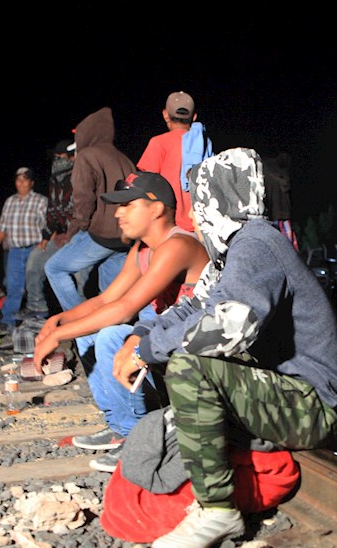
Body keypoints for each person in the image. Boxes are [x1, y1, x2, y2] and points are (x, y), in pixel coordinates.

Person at [111, 147, 337, 548]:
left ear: (214, 199)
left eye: (197, 199)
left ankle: (218, 511)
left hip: (311, 404)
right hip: (280, 391)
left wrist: (149, 350)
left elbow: (228, 327)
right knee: (178, 387)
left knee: (191, 366)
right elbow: (192, 307)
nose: (193, 213)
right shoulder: (234, 251)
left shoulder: (257, 243)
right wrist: (141, 335)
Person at [32, 171, 210, 471]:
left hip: (198, 358)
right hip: (168, 347)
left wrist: (57, 336)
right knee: (89, 332)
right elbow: (106, 300)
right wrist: (58, 321)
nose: (118, 213)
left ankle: (136, 435)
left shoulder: (177, 245)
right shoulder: (142, 250)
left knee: (110, 335)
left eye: (128, 204)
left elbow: (125, 309)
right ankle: (119, 426)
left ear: (155, 208)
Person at [43, 107, 133, 352]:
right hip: (125, 236)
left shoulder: (87, 156)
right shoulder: (121, 157)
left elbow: (84, 201)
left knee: (54, 267)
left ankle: (82, 329)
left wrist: (75, 230)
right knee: (112, 294)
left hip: (101, 234)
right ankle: (117, 343)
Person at [24, 138, 81, 318]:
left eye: (61, 156)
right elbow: (53, 208)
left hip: (80, 236)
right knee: (34, 261)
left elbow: (82, 209)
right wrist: (46, 235)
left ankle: (82, 317)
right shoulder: (54, 178)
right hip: (60, 236)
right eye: (55, 156)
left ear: (70, 156)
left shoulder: (80, 173)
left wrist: (73, 233)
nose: (57, 160)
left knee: (82, 278)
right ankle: (37, 308)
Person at [0, 167, 47, 332]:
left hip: (34, 249)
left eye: (25, 179)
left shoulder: (41, 200)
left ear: (32, 183)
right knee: (13, 286)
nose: (21, 183)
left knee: (34, 285)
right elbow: (2, 226)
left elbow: (48, 225)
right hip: (14, 250)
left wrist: (44, 242)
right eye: (18, 180)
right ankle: (8, 319)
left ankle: (38, 321)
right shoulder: (9, 201)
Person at [135, 91, 200, 233]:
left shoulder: (159, 142)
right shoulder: (205, 144)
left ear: (165, 114)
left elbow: (145, 184)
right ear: (194, 117)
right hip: (199, 226)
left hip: (169, 226)